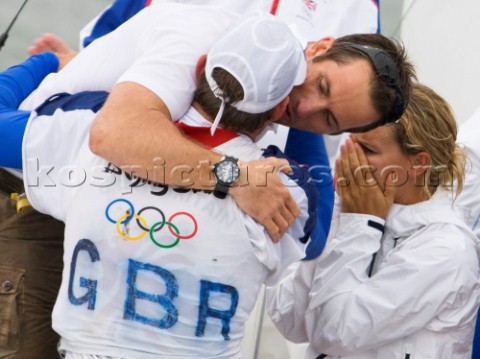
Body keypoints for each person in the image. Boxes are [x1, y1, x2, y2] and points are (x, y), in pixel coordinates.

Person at [2, 14, 319, 358]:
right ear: (280, 109)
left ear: (199, 70)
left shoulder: (94, 128)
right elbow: (317, 237)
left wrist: (46, 62)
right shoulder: (285, 187)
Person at [19, 2, 415, 243]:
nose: (305, 108)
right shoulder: (199, 34)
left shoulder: (359, 10)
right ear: (320, 46)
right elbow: (112, 133)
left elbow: (313, 231)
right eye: (321, 84)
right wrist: (236, 177)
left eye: (330, 119)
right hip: (33, 211)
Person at [266, 83, 480, 359]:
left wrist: (360, 223)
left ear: (418, 164)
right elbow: (288, 319)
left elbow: (337, 332)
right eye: (350, 142)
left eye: (366, 149)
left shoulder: (447, 249)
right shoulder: (356, 211)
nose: (349, 160)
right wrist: (338, 217)